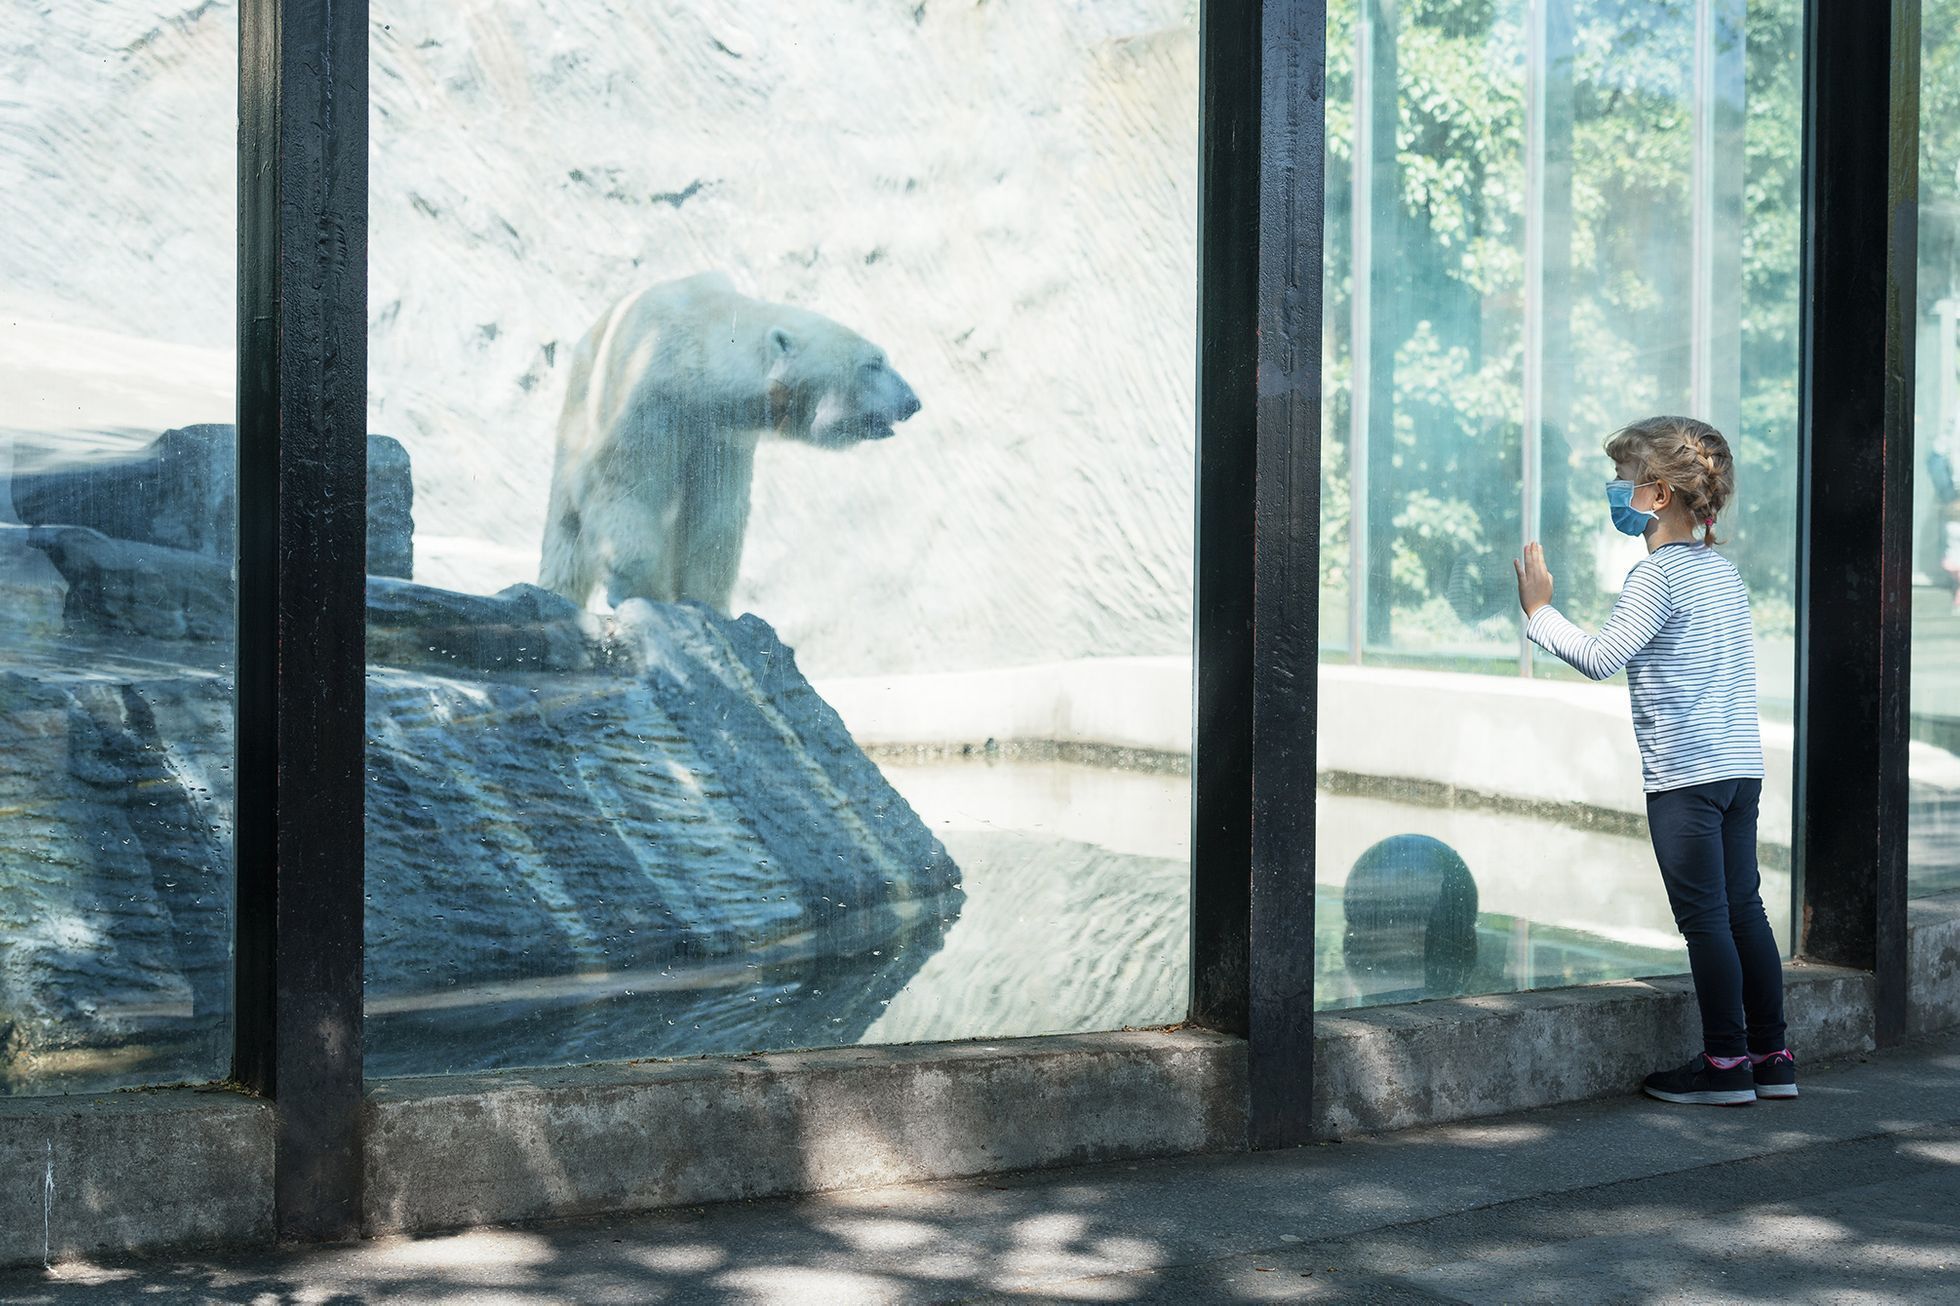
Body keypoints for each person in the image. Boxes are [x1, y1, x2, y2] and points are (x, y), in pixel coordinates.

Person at [1513, 415, 1794, 1107]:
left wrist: (1540, 611)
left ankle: (1725, 1066)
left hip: (1687, 779)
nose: (1616, 492)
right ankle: (1772, 1056)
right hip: (1738, 767)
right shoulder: (1723, 574)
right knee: (1744, 910)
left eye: (1624, 481)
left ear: (1659, 493)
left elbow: (1603, 657)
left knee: (1705, 920)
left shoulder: (1656, 578)